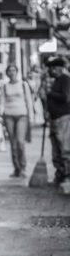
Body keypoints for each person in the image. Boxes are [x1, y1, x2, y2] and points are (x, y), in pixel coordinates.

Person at [1, 63, 34, 179]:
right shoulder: (5, 86)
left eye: (14, 70)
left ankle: (23, 167)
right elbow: (2, 101)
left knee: (20, 142)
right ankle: (17, 168)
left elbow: (29, 101)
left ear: (17, 72)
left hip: (22, 115)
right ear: (7, 73)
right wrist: (1, 115)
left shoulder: (23, 84)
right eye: (9, 71)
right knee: (13, 144)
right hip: (9, 115)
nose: (12, 73)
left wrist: (31, 116)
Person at [45, 56, 70, 192]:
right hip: (55, 118)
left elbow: (66, 97)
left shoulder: (65, 79)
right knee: (56, 150)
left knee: (64, 148)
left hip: (63, 118)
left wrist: (50, 93)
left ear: (58, 69)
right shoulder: (57, 80)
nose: (50, 71)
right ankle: (60, 174)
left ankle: (67, 175)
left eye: (52, 69)